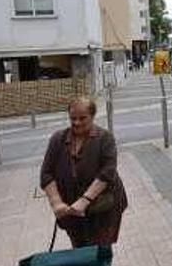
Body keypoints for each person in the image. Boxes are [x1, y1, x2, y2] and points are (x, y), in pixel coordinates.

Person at [40, 97, 128, 247]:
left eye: (82, 118)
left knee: (100, 252)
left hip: (103, 209)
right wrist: (57, 203)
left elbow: (107, 173)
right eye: (73, 118)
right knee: (79, 249)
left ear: (93, 116)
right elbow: (46, 174)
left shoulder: (105, 138)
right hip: (72, 211)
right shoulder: (57, 139)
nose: (76, 122)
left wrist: (84, 201)